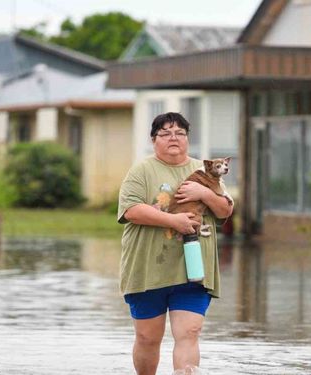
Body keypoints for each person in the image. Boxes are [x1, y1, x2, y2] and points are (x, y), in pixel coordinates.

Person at [117, 112, 233, 375]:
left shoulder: (206, 170)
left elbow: (225, 210)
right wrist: (175, 221)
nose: (174, 138)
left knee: (190, 332)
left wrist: (203, 192)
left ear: (187, 139)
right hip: (148, 269)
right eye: (166, 133)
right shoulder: (141, 170)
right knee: (148, 338)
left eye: (180, 133)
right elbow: (131, 210)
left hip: (192, 268)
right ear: (153, 139)